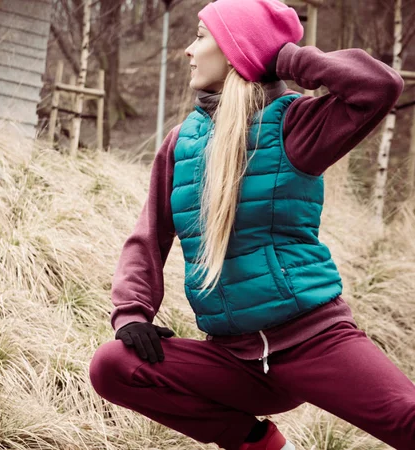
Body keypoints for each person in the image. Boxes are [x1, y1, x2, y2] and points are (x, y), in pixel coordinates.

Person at [89, 0, 413, 449]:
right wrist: (131, 312)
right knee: (113, 366)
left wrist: (282, 56)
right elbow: (148, 237)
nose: (188, 50)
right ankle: (258, 444)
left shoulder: (295, 126)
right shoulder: (181, 143)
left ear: (234, 50)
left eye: (201, 36)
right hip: (234, 357)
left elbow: (380, 86)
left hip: (314, 342)